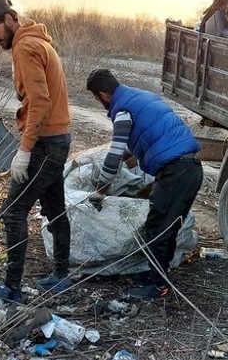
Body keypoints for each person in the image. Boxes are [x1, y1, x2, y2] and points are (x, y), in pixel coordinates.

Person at [0, 0, 72, 301]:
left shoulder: (25, 47)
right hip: (57, 139)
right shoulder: (37, 42)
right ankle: (61, 276)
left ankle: (11, 288)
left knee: (13, 212)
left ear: (8, 19)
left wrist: (25, 149)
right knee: (55, 210)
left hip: (46, 143)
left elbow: (40, 102)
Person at [85, 68, 202, 300]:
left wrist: (100, 191)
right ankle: (156, 276)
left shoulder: (122, 111)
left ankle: (158, 287)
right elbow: (146, 137)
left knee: (157, 228)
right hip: (188, 169)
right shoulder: (140, 97)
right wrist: (129, 157)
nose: (100, 103)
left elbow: (114, 153)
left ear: (103, 95)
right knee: (166, 226)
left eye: (97, 99)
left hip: (176, 172)